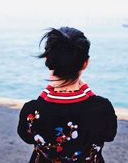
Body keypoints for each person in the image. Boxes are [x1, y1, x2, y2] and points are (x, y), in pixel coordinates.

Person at [17, 27, 117, 163]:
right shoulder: (102, 108)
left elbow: (26, 136)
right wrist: (87, 91)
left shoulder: (32, 110)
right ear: (85, 63)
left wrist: (47, 92)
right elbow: (109, 135)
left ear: (48, 60)